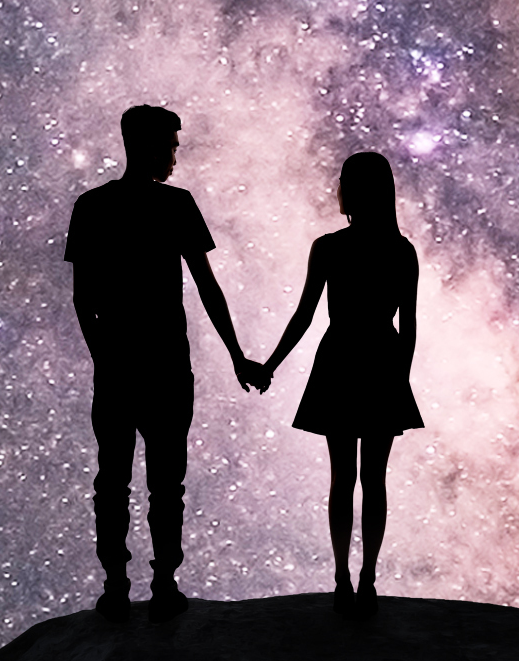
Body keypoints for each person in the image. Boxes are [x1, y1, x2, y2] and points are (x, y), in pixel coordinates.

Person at [65, 104, 258, 615]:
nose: (175, 154)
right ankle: (162, 582)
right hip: (165, 365)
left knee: (115, 479)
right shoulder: (174, 205)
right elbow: (206, 287)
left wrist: (103, 355)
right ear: (147, 146)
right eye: (171, 144)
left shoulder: (93, 206)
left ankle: (118, 584)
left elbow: (85, 299)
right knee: (162, 482)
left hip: (126, 365)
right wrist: (237, 355)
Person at [255, 149, 421, 612]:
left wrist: (270, 364)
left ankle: (344, 578)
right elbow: (407, 326)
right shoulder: (400, 250)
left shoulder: (329, 247)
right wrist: (399, 379)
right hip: (380, 359)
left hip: (342, 357)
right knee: (373, 478)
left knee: (343, 477)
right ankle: (365, 577)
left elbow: (305, 315)